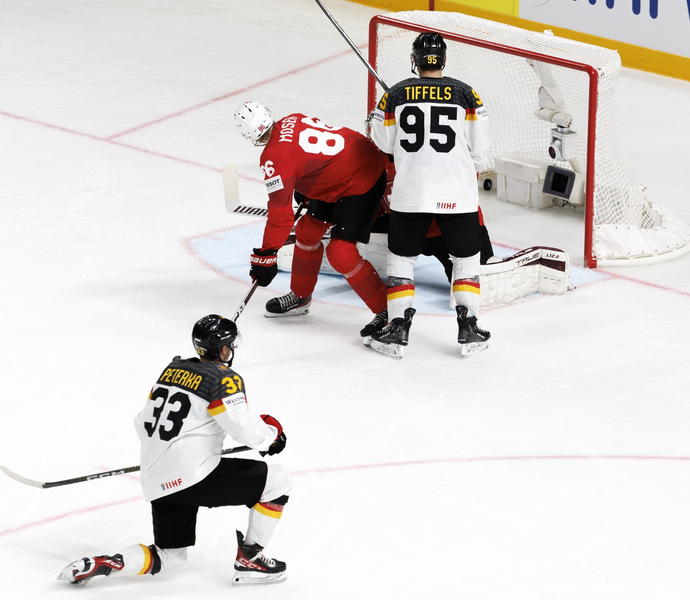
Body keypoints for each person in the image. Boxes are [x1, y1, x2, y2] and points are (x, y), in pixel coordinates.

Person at [57, 315, 292, 587]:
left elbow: (141, 422)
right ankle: (251, 560)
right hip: (195, 478)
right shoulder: (223, 380)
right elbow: (248, 432)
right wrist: (272, 436)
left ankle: (107, 563)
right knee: (279, 480)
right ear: (224, 349)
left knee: (170, 556)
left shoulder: (171, 370)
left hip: (157, 479)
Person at [367, 31, 492, 358]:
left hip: (411, 193)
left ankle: (397, 328)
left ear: (415, 61)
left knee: (401, 260)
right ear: (444, 60)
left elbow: (383, 144)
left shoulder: (394, 95)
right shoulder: (467, 94)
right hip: (458, 194)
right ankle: (469, 326)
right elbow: (481, 151)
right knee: (465, 261)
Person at [234, 101, 388, 338]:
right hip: (351, 161)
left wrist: (266, 255)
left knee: (341, 252)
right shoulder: (291, 119)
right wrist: (303, 186)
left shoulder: (273, 157)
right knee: (306, 231)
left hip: (361, 178)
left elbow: (280, 215)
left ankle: (387, 312)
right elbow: (310, 156)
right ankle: (300, 296)